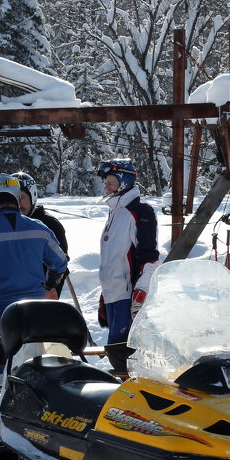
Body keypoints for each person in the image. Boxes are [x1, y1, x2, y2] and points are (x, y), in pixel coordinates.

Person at [0, 173, 69, 369]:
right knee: (34, 362)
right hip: (35, 308)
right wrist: (50, 283)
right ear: (16, 196)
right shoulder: (39, 228)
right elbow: (61, 262)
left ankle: (0, 395)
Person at [97, 159, 159, 373]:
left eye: (111, 182)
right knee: (115, 350)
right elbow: (113, 260)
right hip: (113, 294)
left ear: (125, 181)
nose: (107, 187)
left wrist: (140, 292)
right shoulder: (115, 212)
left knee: (124, 352)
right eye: (106, 182)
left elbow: (149, 257)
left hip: (128, 296)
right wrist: (104, 295)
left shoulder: (139, 212)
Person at [11, 170, 68, 299]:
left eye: (22, 198)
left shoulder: (49, 225)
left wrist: (51, 289)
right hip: (8, 296)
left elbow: (60, 264)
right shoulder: (1, 224)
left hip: (39, 296)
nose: (18, 204)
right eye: (13, 198)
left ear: (32, 197)